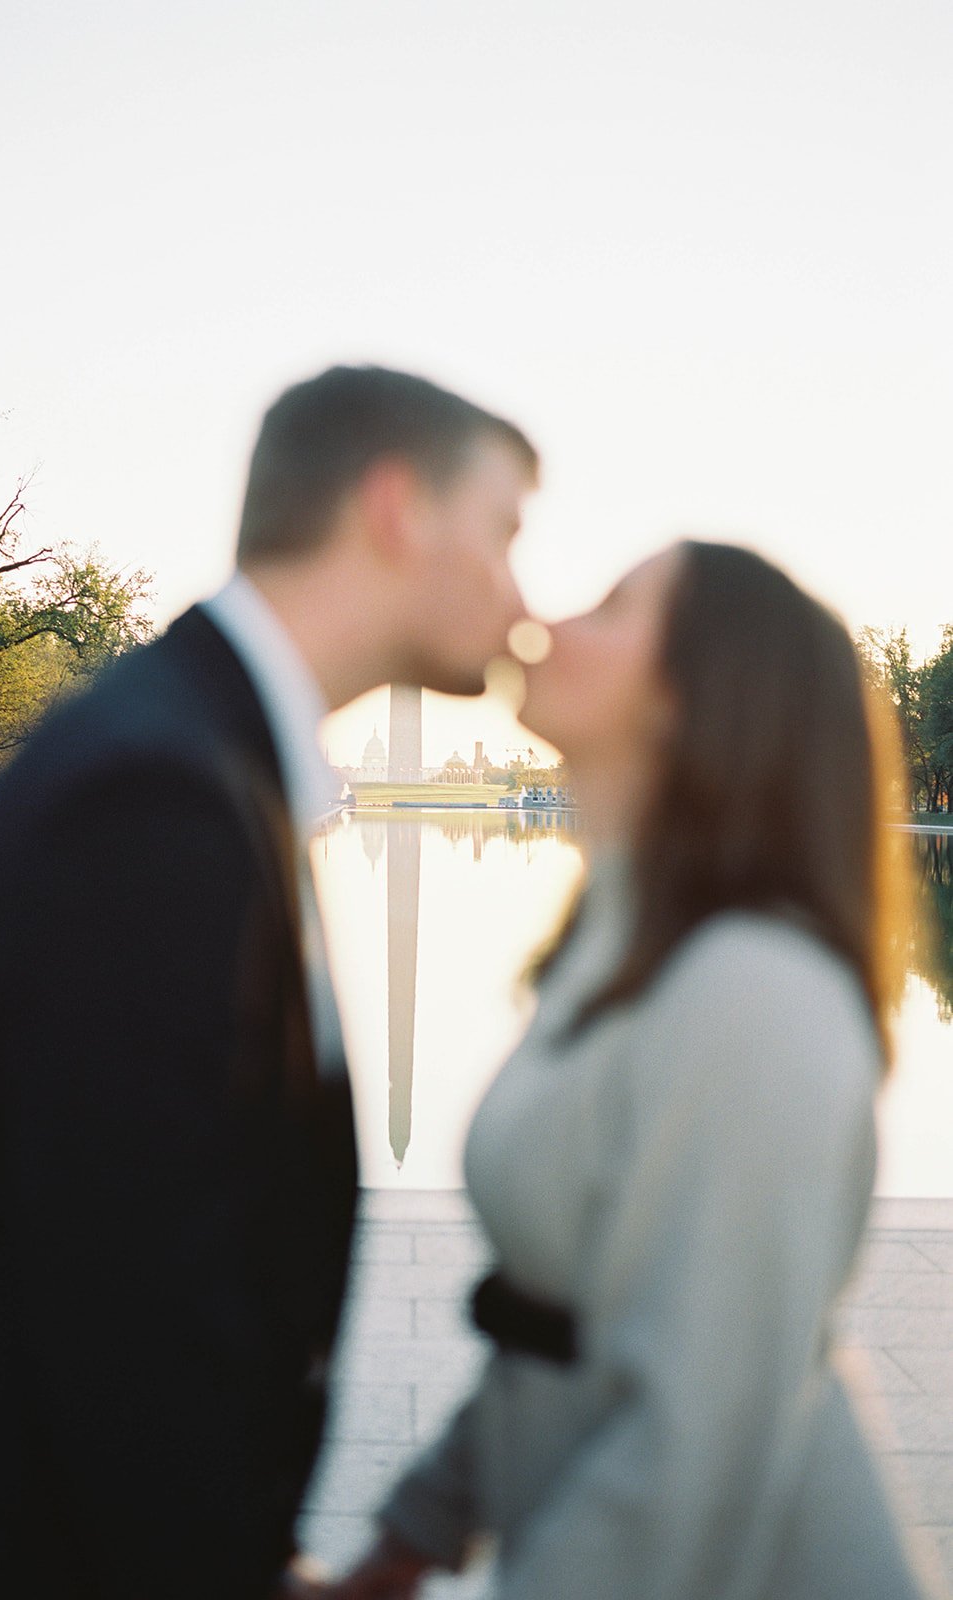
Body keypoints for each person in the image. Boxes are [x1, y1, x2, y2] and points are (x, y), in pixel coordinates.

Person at [0, 367, 538, 1598]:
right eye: (503, 534)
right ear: (396, 510)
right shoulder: (155, 797)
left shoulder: (193, 755)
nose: (519, 596)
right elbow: (126, 1316)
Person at [333, 541, 938, 1600]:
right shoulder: (619, 944)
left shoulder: (755, 994)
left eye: (611, 606)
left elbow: (689, 1448)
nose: (547, 621)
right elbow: (562, 1310)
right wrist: (414, 1533)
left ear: (694, 697)